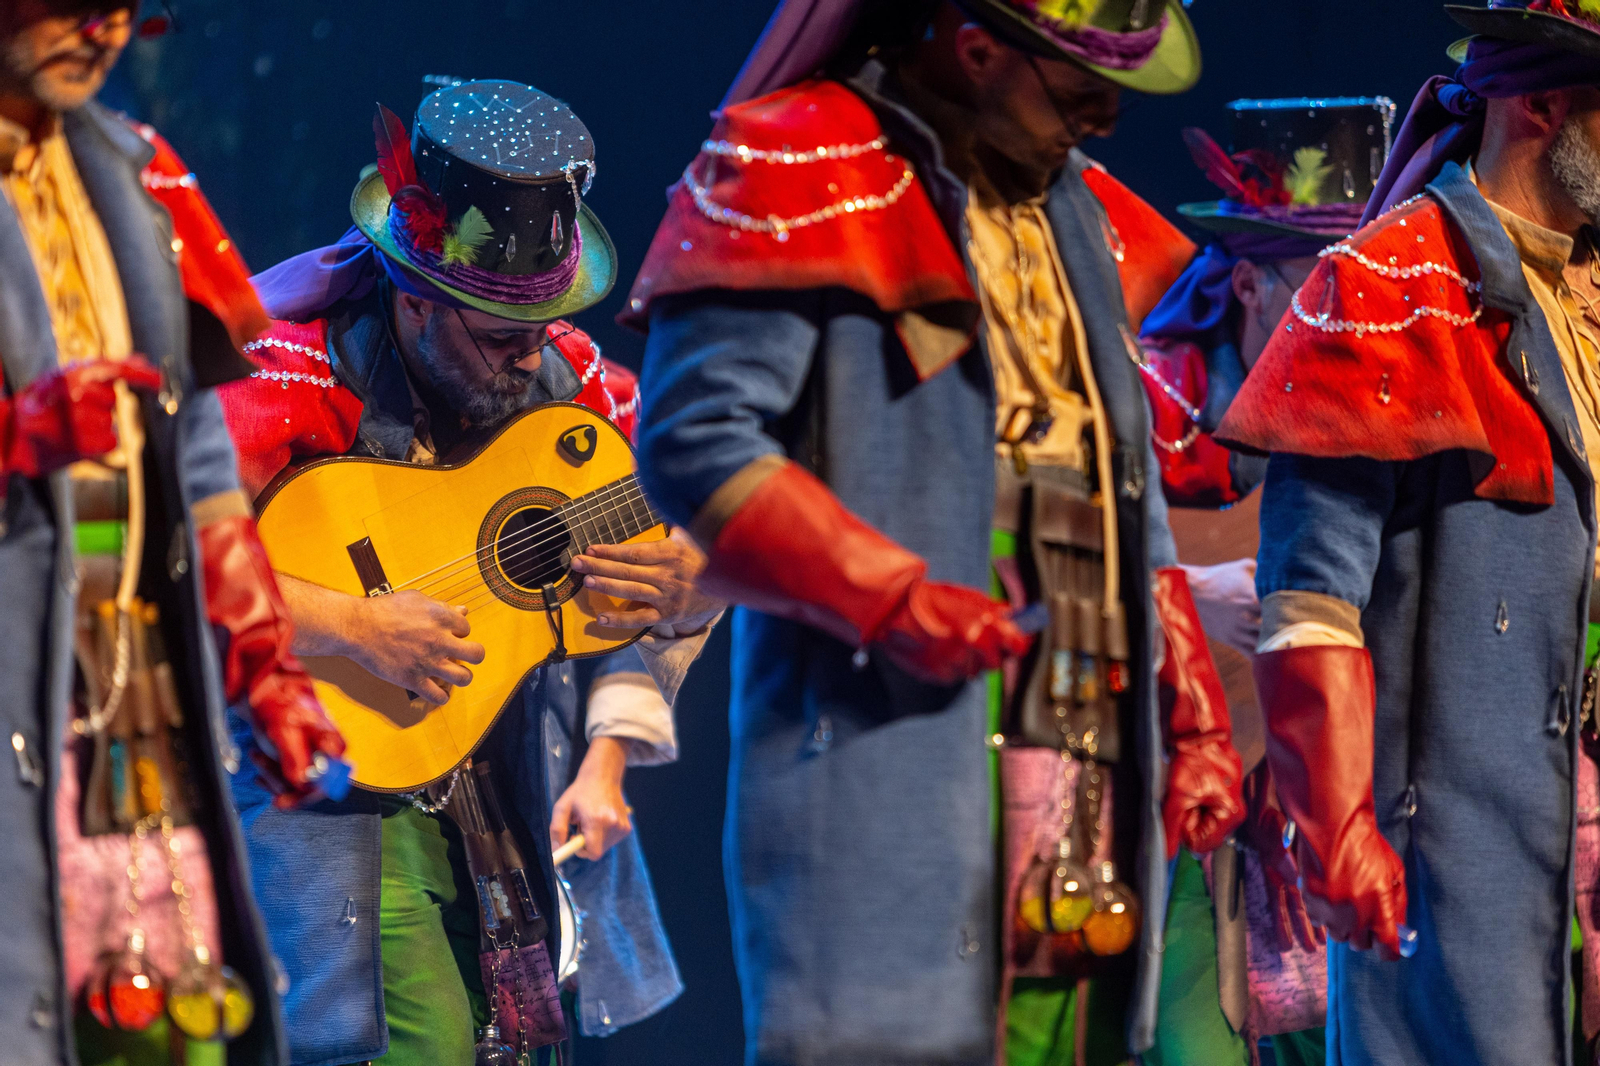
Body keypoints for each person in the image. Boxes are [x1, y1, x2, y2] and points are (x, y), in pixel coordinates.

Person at [625, 2, 1247, 1063]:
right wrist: (890, 595)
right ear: (978, 49)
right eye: (1079, 87)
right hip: (901, 717)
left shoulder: (1069, 203)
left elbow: (1120, 481)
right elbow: (695, 439)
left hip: (1086, 694)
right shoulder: (798, 158)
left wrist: (1192, 720)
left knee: (1071, 1024)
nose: (1105, 119)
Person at [218, 79, 720, 1066]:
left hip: (505, 782)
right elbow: (163, 557)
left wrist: (693, 578)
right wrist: (352, 625)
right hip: (335, 775)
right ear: (414, 297)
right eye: (496, 337)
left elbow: (703, 515)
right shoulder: (288, 372)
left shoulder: (570, 379)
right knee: (420, 1042)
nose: (525, 358)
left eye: (540, 327)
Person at [1215, 2, 1600, 1062]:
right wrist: (1338, 829)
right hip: (1455, 853)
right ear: (1544, 104)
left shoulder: (1590, 293)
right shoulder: (1384, 290)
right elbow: (1310, 599)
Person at [0, 3, 346, 1065]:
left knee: (156, 1011)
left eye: (122, 7)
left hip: (127, 672)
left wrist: (268, 669)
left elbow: (198, 455)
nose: (102, 31)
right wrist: (19, 435)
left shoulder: (134, 171)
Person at [1137, 96, 1400, 1066]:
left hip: (1313, 797)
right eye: (1316, 290)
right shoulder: (1142, 400)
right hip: (1168, 789)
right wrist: (1189, 589)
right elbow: (1034, 544)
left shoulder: (1367, 399)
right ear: (1246, 283)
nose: (1339, 322)